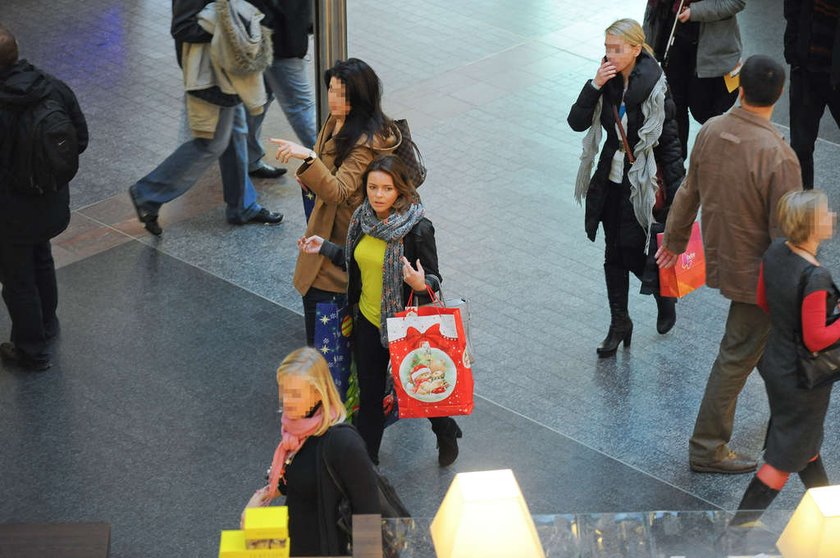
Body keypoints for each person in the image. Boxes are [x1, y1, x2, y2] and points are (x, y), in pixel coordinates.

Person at [656, 55, 803, 474]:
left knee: (757, 343)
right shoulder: (779, 155)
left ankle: (786, 410)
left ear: (740, 88)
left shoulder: (712, 130)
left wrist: (677, 239)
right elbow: (786, 233)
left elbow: (689, 189)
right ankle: (707, 447)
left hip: (725, 259)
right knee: (737, 353)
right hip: (761, 276)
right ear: (779, 95)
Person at [300, 155, 463, 466]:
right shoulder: (362, 219)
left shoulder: (417, 229)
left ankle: (444, 428)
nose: (377, 195)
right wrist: (324, 246)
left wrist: (418, 282)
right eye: (372, 187)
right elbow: (356, 263)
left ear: (400, 191)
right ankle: (365, 463)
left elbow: (433, 278)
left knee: (417, 388)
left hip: (406, 325)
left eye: (386, 189)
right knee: (371, 396)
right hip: (368, 322)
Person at [568, 18, 685, 358]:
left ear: (636, 49)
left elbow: (670, 143)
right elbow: (577, 123)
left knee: (632, 250)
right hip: (611, 179)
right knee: (612, 253)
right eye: (606, 48)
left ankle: (664, 295)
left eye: (617, 49)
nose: (610, 55)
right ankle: (620, 323)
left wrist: (678, 196)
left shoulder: (654, 88)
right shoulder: (605, 82)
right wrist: (593, 85)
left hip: (642, 183)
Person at [270, 58, 398, 346]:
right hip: (325, 231)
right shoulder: (336, 121)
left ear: (360, 98)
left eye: (343, 94)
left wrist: (309, 159)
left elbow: (339, 190)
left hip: (341, 243)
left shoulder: (366, 141)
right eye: (331, 90)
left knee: (327, 336)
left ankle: (326, 385)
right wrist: (311, 175)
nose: (334, 99)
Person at [128, 0, 283, 236]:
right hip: (211, 74)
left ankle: (242, 206)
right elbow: (182, 28)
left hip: (224, 70)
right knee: (212, 143)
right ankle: (147, 193)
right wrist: (230, 27)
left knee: (236, 134)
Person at [731, 190, 836, 525]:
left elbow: (764, 301)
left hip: (775, 362)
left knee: (803, 445)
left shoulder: (775, 252)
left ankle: (830, 519)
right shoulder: (815, 277)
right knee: (783, 459)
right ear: (809, 226)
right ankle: (735, 533)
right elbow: (816, 337)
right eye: (824, 214)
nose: (831, 216)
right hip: (803, 381)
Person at [0, 24, 88, 371]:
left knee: (17, 279)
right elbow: (79, 138)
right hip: (49, 200)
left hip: (9, 210)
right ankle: (47, 324)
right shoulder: (51, 85)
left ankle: (31, 350)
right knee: (41, 258)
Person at [242, 347, 380, 556]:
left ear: (318, 393)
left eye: (295, 394)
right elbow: (301, 479)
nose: (286, 402)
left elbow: (368, 513)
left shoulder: (343, 444)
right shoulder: (297, 430)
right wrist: (263, 495)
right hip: (299, 542)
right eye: (283, 392)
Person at [644, 0, 746, 160]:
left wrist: (696, 11)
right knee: (674, 107)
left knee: (704, 110)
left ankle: (724, 160)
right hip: (672, 40)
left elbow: (735, 2)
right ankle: (675, 165)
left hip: (710, 49)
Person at [245, 0, 316, 180]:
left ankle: (247, 158)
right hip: (279, 36)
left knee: (259, 98)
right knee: (300, 106)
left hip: (275, 33)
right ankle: (334, 165)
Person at [784, 0, 840, 189]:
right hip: (806, 70)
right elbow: (792, 8)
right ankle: (803, 209)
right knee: (800, 147)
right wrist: (793, 50)